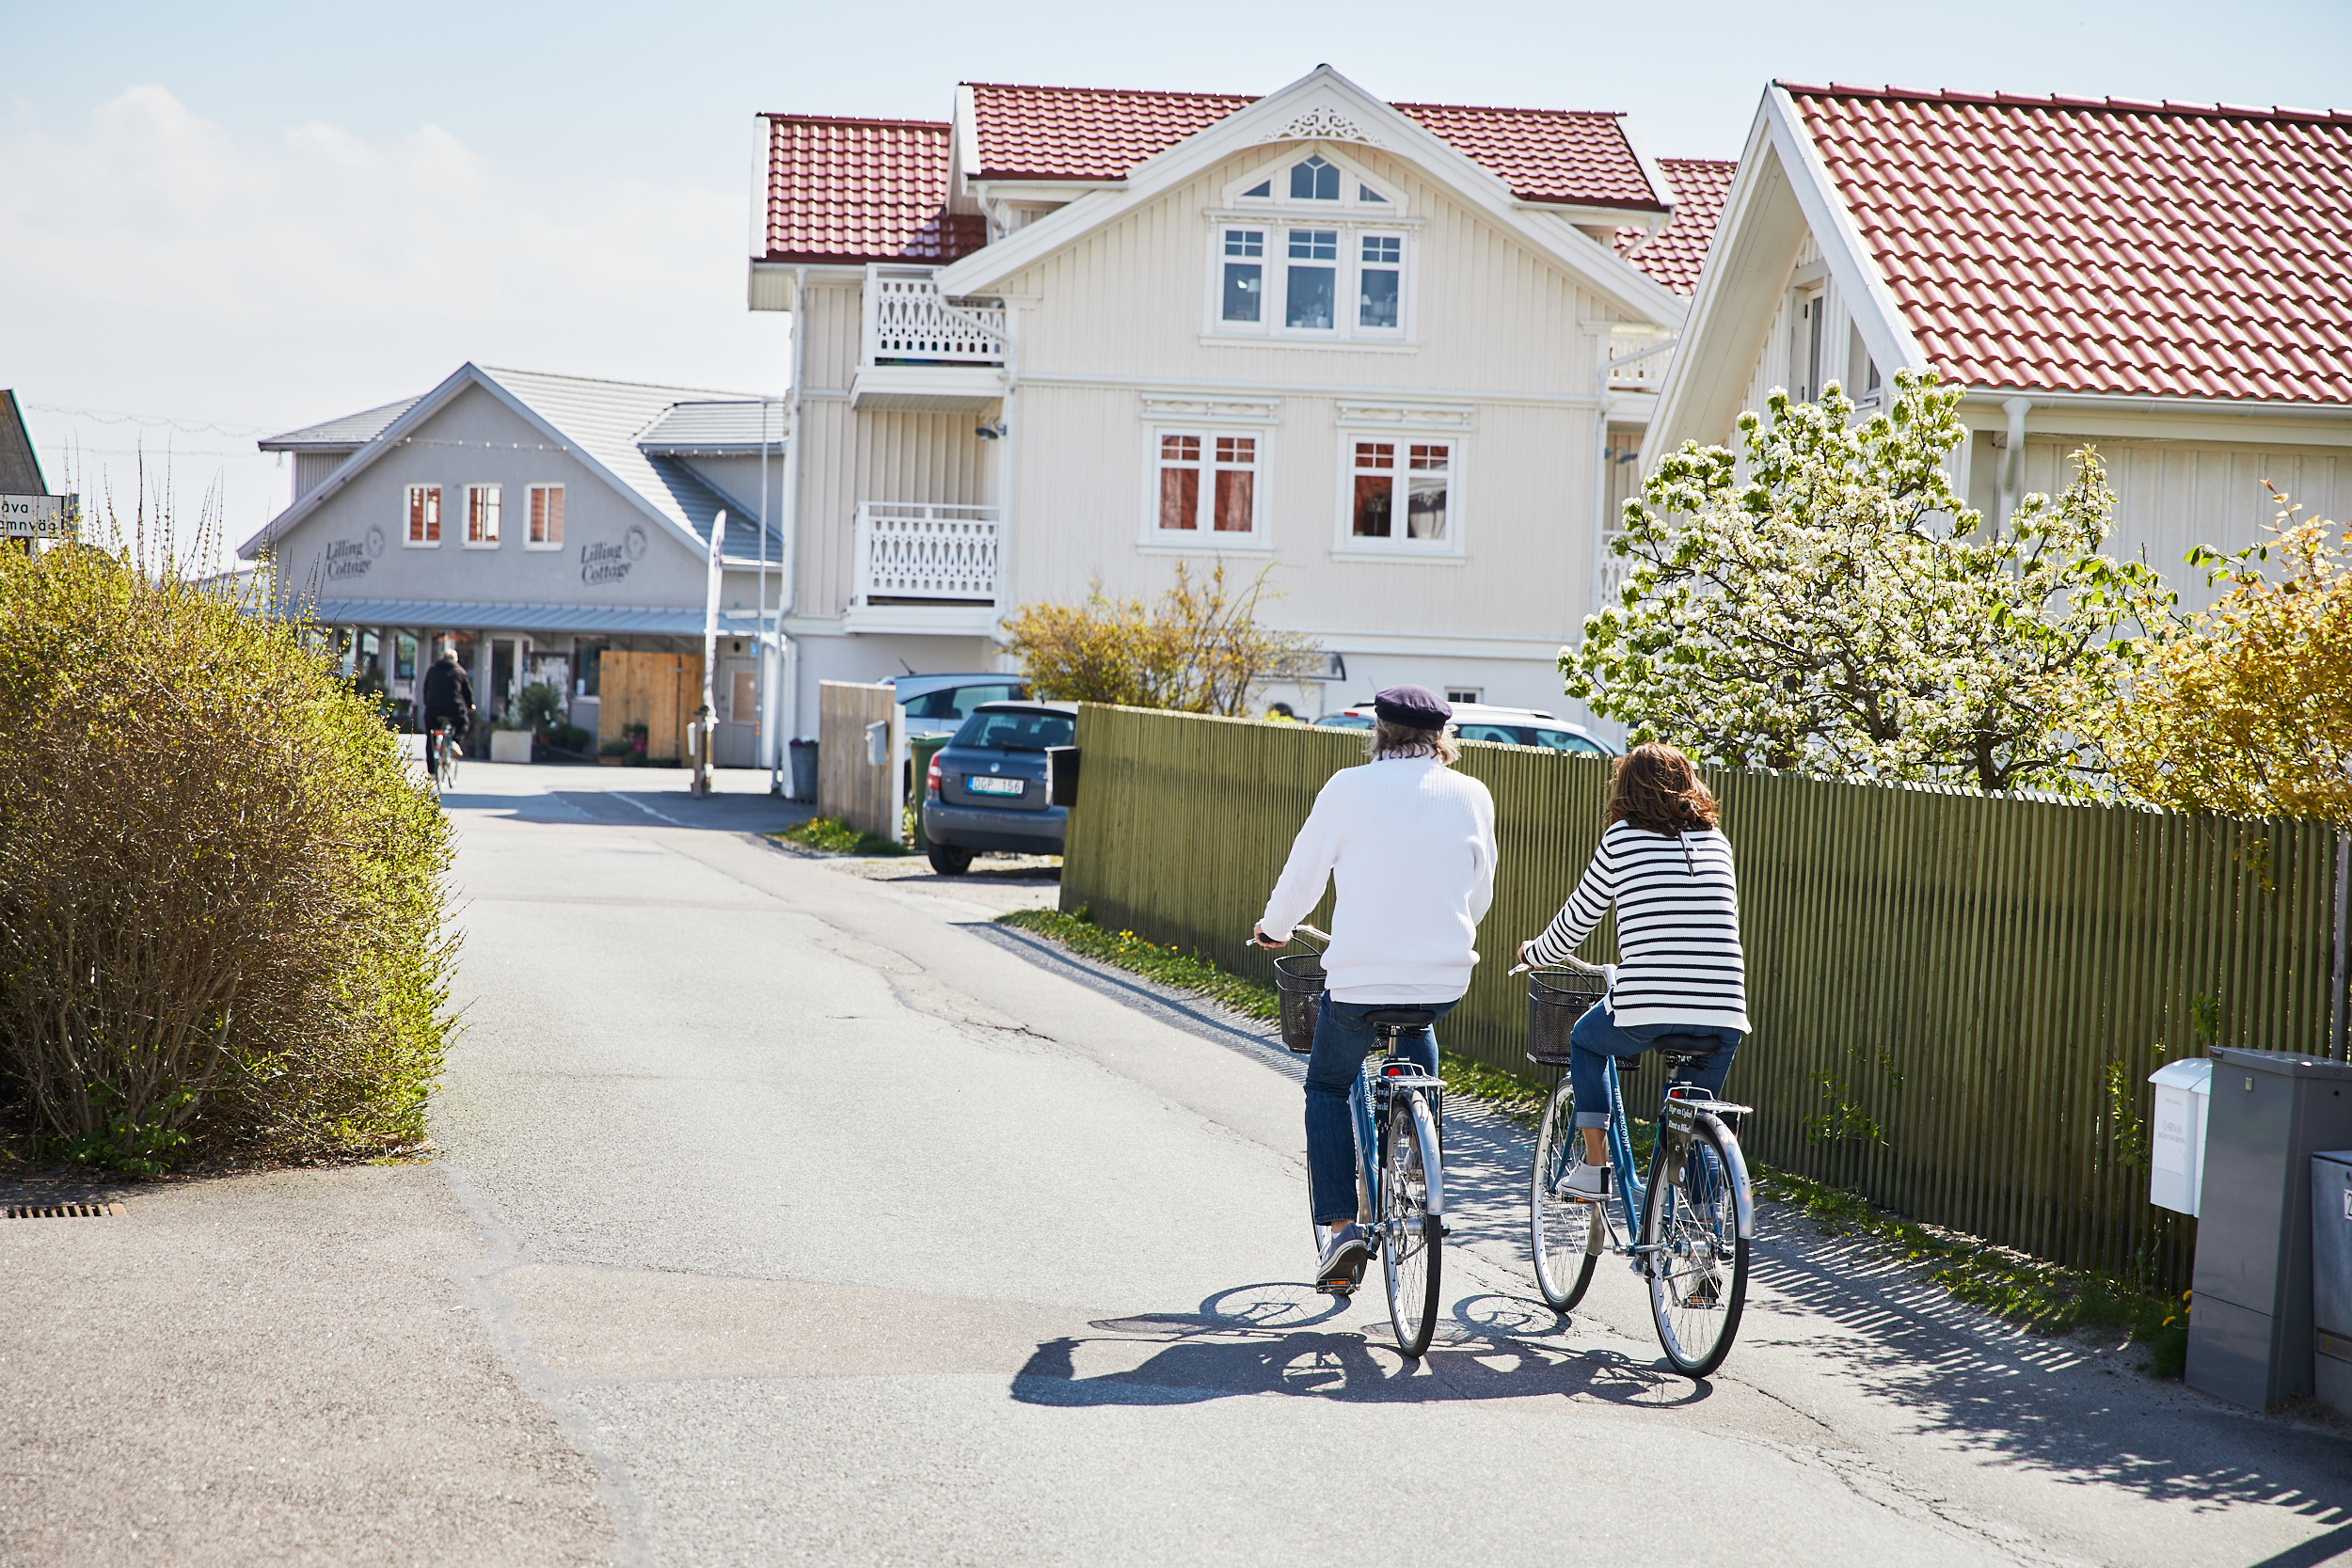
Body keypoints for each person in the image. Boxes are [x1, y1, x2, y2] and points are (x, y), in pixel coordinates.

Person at [1253, 686, 1497, 1289]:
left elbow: (1303, 870)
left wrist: (1274, 928)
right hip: (1443, 975)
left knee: (1330, 1084)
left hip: (1360, 977)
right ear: (1442, 737)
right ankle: (1417, 1165)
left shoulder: (1348, 786)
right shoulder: (1471, 794)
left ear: (1380, 733)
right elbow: (1480, 890)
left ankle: (1340, 1231)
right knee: (1418, 1029)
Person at [1518, 742, 1749, 1199]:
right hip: (1724, 1009)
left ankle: (1594, 1167)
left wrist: (1534, 952)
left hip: (1648, 1003)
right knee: (1693, 1112)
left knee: (1584, 1040)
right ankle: (1700, 1221)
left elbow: (1575, 923)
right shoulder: (1716, 842)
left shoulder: (1622, 838)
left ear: (1625, 790)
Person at [419, 641, 474, 781]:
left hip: (433, 710)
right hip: (453, 709)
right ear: (455, 659)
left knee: (431, 738)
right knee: (464, 723)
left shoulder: (432, 670)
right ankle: (455, 741)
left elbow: (425, 690)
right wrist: (470, 706)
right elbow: (467, 693)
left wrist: (427, 704)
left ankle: (431, 770)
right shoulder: (460, 671)